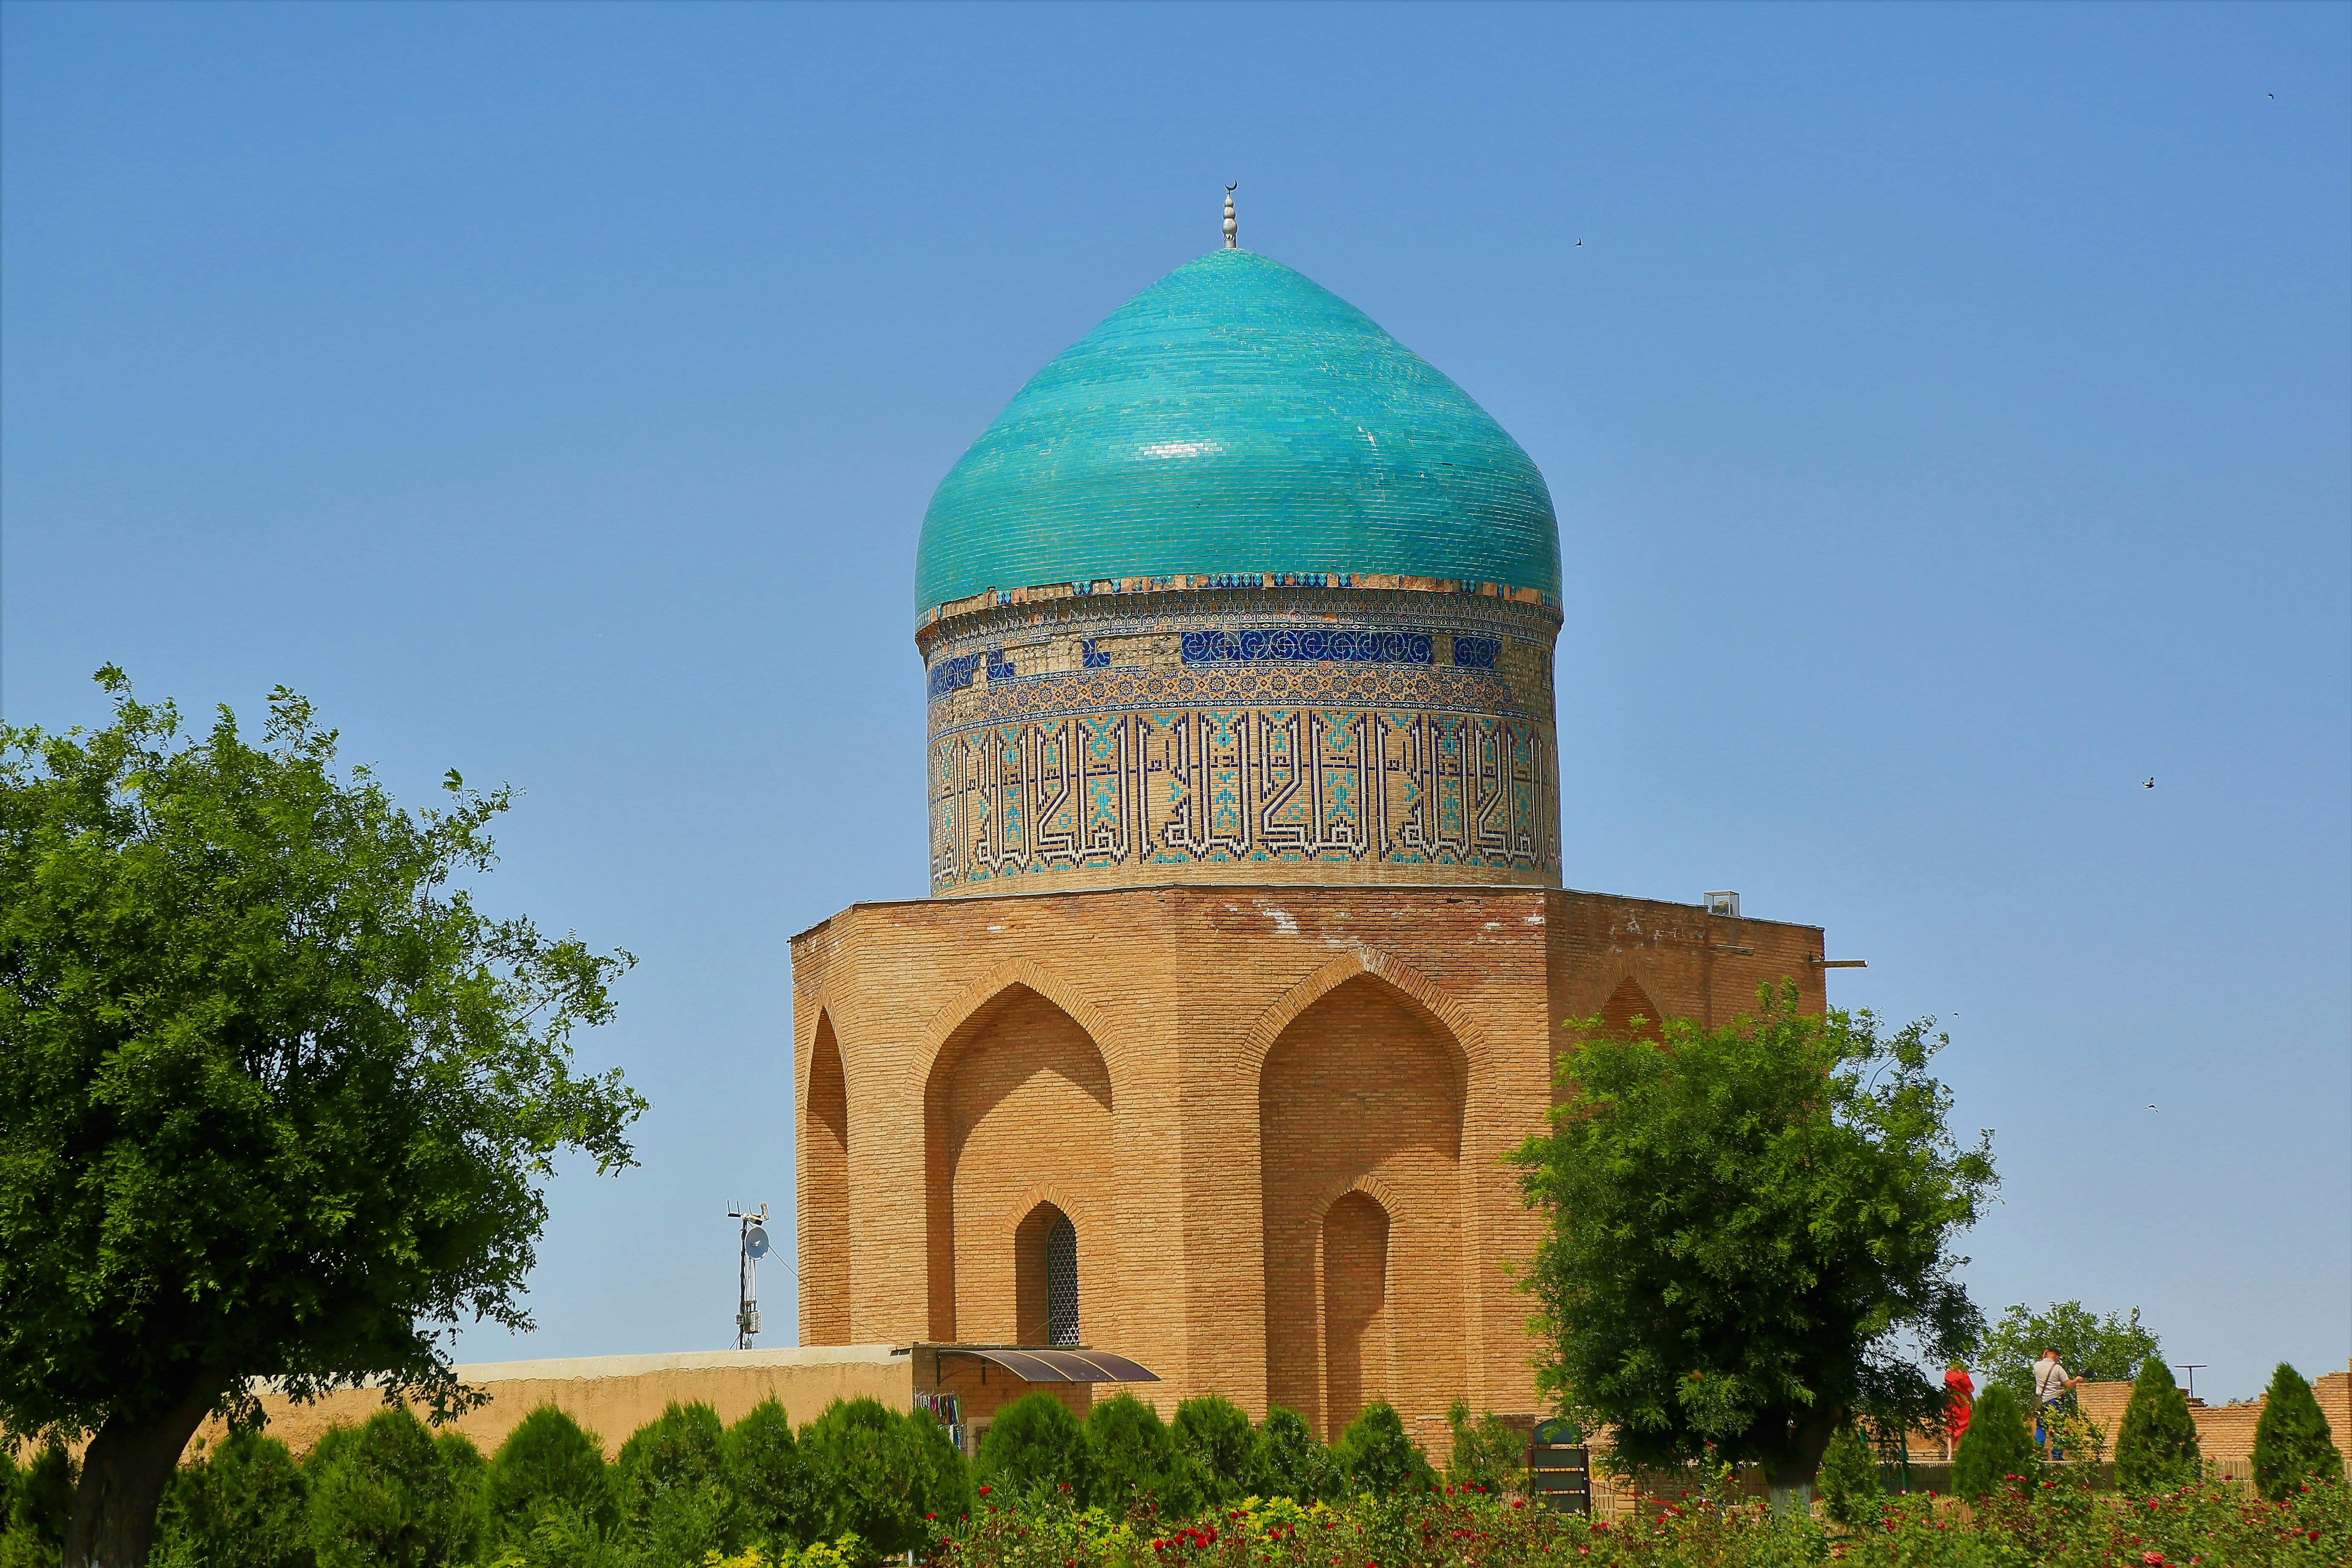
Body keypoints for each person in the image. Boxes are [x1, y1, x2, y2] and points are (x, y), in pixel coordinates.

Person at [2033, 1347, 2083, 1458]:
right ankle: (2057, 1456)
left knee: (2041, 1427)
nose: (2058, 1359)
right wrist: (2077, 1380)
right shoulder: (2058, 1368)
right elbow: (2069, 1385)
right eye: (2057, 1356)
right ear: (2054, 1355)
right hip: (2055, 1401)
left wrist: (2043, 1356)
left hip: (2042, 1401)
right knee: (2059, 1428)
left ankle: (2037, 1453)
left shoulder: (2037, 1367)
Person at [1943, 1363, 1975, 1456]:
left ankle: (1950, 1454)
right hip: (1962, 1405)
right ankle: (1963, 1453)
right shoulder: (1964, 1376)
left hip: (1951, 1405)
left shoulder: (1948, 1375)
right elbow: (1971, 1389)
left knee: (1952, 1430)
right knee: (1963, 1429)